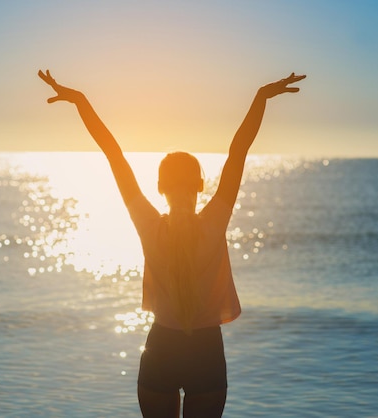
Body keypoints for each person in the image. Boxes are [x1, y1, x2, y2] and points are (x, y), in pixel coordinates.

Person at [38, 69, 305, 418]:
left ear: (160, 187)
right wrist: (260, 97)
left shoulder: (148, 224)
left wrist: (80, 101)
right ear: (200, 185)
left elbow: (113, 153)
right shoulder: (215, 220)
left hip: (161, 348)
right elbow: (238, 151)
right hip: (207, 352)